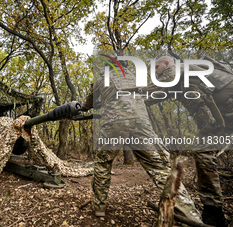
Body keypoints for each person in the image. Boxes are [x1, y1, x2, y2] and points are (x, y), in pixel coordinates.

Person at [82, 58, 203, 223]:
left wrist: (88, 104)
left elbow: (88, 103)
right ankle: (191, 216)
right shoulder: (135, 76)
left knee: (103, 165)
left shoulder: (101, 79)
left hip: (113, 124)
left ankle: (99, 209)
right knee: (160, 168)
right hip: (141, 124)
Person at [137, 55, 233, 226]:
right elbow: (148, 99)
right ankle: (213, 212)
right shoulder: (175, 83)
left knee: (203, 151)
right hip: (226, 119)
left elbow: (151, 90)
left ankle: (213, 211)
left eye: (156, 68)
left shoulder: (179, 69)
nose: (155, 73)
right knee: (202, 152)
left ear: (167, 64)